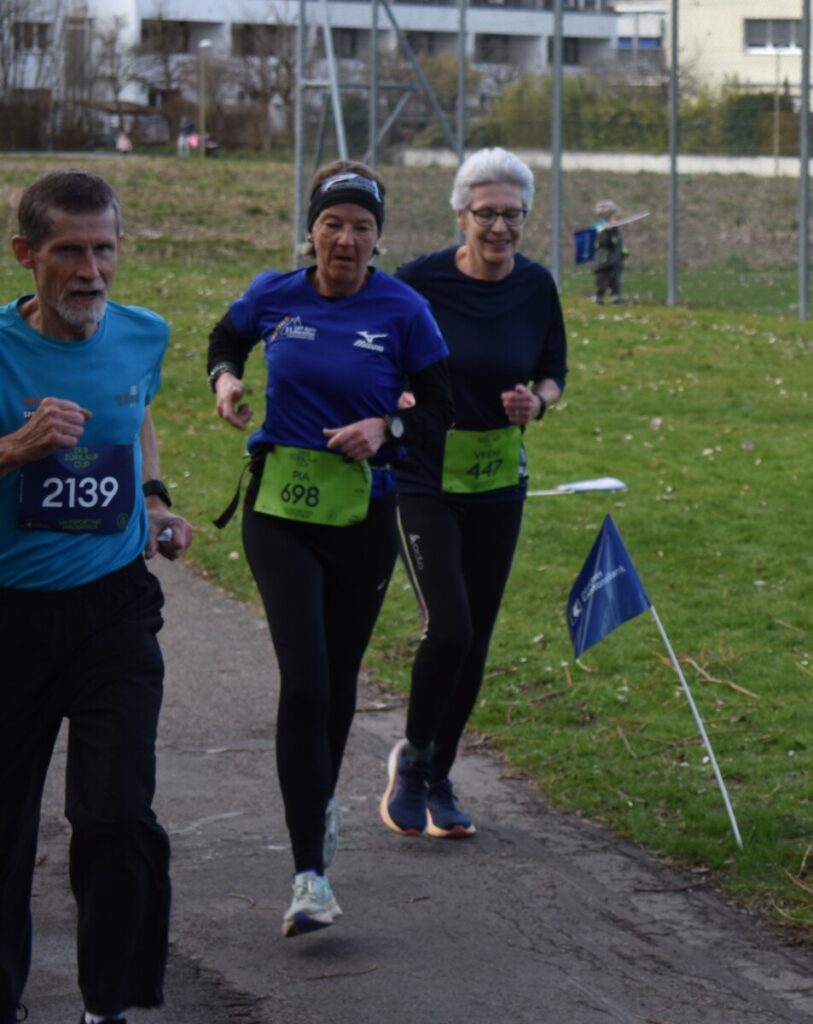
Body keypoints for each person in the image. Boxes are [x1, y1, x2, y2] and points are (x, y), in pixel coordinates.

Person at [207, 160, 453, 936]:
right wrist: (225, 380)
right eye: (332, 225)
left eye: (360, 228)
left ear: (378, 239)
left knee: (338, 680)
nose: (345, 240)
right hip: (278, 511)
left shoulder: (404, 308)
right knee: (306, 682)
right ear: (310, 231)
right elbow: (226, 336)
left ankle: (316, 810)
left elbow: (440, 407)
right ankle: (308, 873)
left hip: (363, 516)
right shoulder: (274, 294)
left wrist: (386, 428)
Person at [0, 169, 193, 1024]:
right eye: (69, 252)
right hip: (11, 616)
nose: (91, 272)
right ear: (25, 254)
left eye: (104, 249)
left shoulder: (144, 333)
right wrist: (16, 448)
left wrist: (154, 499)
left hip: (114, 607)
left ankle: (108, 1004)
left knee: (115, 813)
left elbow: (136, 410)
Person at [379, 146, 567, 840]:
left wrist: (536, 403)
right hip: (423, 475)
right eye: (486, 213)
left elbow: (553, 371)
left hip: (497, 480)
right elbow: (377, 349)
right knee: (449, 627)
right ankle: (412, 758)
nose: (499, 228)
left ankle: (438, 771)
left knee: (476, 638)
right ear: (461, 214)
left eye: (512, 215)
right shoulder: (419, 281)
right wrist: (395, 392)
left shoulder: (536, 286)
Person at [593, 199, 626, 305]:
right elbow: (602, 242)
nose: (617, 220)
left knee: (615, 278)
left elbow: (617, 242)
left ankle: (615, 296)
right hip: (603, 258)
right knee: (601, 278)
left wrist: (623, 252)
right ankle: (599, 296)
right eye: (614, 218)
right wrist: (607, 231)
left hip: (614, 259)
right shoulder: (600, 228)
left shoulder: (615, 230)